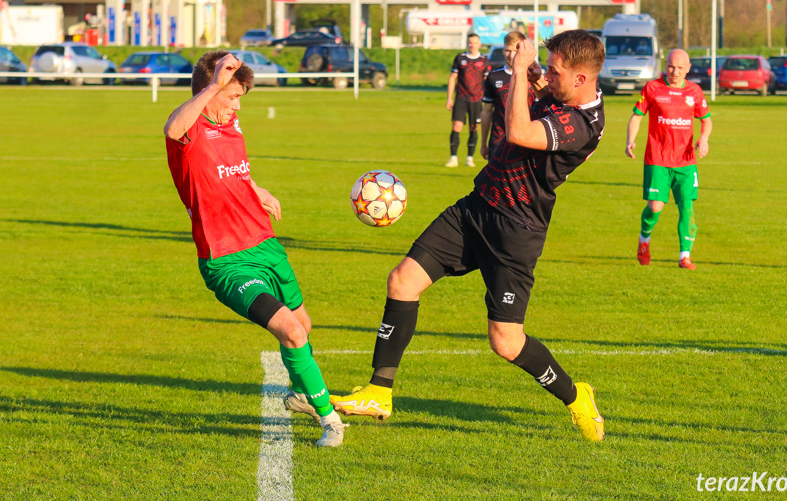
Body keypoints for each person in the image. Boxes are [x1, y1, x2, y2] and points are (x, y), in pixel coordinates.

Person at [332, 30, 607, 442]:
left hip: (515, 231)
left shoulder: (582, 124)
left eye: (555, 71)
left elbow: (518, 132)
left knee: (505, 341)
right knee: (402, 281)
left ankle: (575, 397)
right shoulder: (563, 92)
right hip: (476, 207)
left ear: (582, 80)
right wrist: (531, 70)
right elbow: (537, 89)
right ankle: (379, 391)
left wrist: (517, 71)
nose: (548, 76)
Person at [164, 51, 346, 447]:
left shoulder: (233, 127)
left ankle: (300, 395)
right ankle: (329, 417)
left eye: (240, 97)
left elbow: (231, 171)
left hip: (265, 243)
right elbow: (172, 127)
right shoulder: (189, 133)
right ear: (208, 92)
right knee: (293, 333)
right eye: (231, 97)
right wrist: (214, 83)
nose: (237, 105)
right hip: (227, 261)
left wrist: (254, 189)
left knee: (303, 325)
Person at [625, 48, 713, 269]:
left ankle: (685, 256)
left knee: (687, 207)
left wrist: (704, 139)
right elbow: (637, 116)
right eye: (671, 66)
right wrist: (630, 140)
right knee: (655, 206)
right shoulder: (652, 88)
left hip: (686, 161)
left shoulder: (695, 91)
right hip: (657, 158)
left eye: (680, 68)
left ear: (688, 69)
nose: (675, 71)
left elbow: (706, 120)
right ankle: (644, 240)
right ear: (665, 65)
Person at [479, 31, 543, 161]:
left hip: (526, 140)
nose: (511, 55)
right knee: (494, 181)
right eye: (508, 50)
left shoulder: (534, 76)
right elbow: (486, 111)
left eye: (515, 50)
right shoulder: (494, 76)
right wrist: (483, 143)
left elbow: (542, 111)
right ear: (503, 50)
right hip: (498, 140)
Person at [445, 33, 492, 168]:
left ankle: (469, 158)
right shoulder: (460, 58)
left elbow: (487, 82)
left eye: (475, 42)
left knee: (474, 128)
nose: (472, 45)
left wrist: (488, 100)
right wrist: (449, 98)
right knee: (457, 126)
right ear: (467, 43)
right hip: (461, 98)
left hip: (477, 100)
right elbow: (453, 78)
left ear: (479, 44)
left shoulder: (484, 61)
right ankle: (453, 157)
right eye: (470, 42)